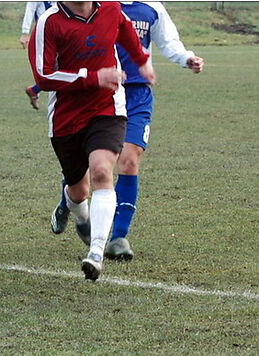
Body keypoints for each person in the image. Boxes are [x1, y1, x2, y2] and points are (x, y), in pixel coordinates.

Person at [50, 1, 204, 261]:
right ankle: (71, 199)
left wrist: (187, 58)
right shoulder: (95, 6)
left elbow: (168, 41)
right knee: (88, 168)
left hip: (136, 94)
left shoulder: (151, 7)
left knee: (129, 161)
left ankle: (119, 237)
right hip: (98, 94)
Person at [28, 1, 156, 281]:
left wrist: (142, 61)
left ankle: (96, 252)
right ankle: (76, 210)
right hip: (66, 117)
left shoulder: (110, 9)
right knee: (78, 191)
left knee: (101, 170)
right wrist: (92, 77)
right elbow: (43, 75)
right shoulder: (49, 22)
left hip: (107, 106)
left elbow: (126, 32)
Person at [19, 1, 55, 110]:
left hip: (61, 33)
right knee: (57, 68)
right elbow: (30, 8)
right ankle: (35, 90)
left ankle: (34, 90)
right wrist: (25, 32)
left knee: (61, 66)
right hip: (45, 35)